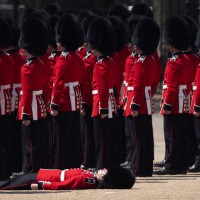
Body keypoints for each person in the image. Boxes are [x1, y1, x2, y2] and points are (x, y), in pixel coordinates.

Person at [0, 166, 135, 190]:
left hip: (44, 178)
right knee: (13, 180)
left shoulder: (89, 180)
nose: (103, 169)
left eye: (106, 171)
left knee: (10, 184)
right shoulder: (92, 177)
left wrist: (43, 185)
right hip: (46, 174)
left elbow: (65, 184)